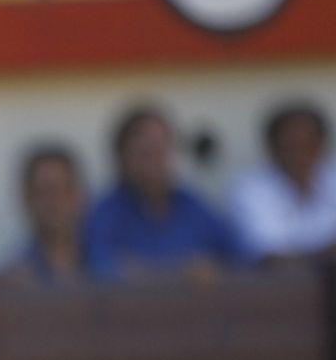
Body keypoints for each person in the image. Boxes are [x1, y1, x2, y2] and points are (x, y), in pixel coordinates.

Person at [82, 104, 246, 282]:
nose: (155, 163)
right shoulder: (103, 213)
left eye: (162, 151)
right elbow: (102, 271)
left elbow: (239, 261)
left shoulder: (192, 205)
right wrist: (182, 273)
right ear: (121, 158)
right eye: (145, 153)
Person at [229, 100, 336, 264]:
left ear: (321, 145)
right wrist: (327, 254)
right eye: (290, 145)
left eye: (308, 144)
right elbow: (271, 259)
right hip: (275, 287)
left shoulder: (331, 177)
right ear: (271, 147)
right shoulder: (250, 189)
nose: (299, 154)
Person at [9, 143, 86, 284]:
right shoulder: (14, 274)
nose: (54, 202)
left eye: (63, 191)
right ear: (27, 199)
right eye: (44, 192)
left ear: (78, 196)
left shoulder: (108, 263)